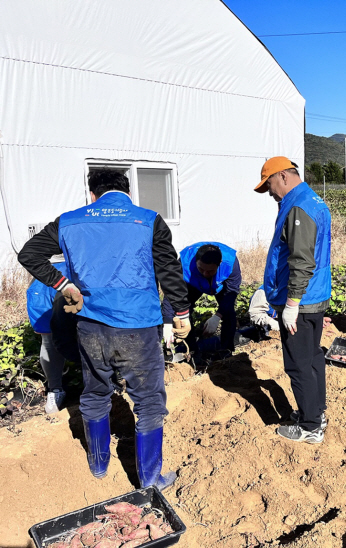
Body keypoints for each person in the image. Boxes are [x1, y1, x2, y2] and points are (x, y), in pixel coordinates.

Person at [18, 168, 191, 489]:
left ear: (92, 195)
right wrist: (180, 310)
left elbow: (29, 254)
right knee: (149, 402)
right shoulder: (148, 219)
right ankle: (150, 479)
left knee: (96, 393)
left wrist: (64, 284)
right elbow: (169, 267)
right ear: (127, 192)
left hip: (91, 326)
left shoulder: (69, 221)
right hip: (138, 326)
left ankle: (99, 467)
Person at [255, 156, 331, 444]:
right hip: (314, 295)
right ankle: (317, 413)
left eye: (270, 185)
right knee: (312, 358)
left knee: (298, 364)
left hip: (302, 298)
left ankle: (310, 426)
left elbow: (301, 259)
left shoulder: (299, 206)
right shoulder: (312, 200)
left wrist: (291, 304)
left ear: (284, 176)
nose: (270, 193)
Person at [161, 242, 241, 352]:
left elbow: (231, 293)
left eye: (210, 271)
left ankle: (226, 351)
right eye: (201, 269)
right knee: (184, 311)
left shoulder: (230, 263)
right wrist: (167, 322)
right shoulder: (184, 264)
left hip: (219, 285)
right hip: (194, 283)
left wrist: (217, 316)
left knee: (229, 312)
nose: (205, 274)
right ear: (196, 262)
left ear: (219, 264)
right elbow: (173, 293)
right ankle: (190, 350)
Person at [26, 261, 73, 414]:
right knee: (49, 337)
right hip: (46, 270)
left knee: (94, 329)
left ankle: (104, 381)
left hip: (84, 264)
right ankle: (55, 388)